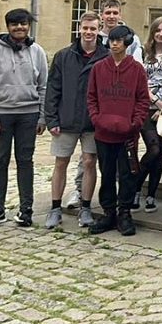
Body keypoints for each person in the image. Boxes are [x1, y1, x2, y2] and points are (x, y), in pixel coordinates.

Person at [0, 8, 48, 229]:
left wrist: (42, 116)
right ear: (8, 26)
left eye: (23, 23)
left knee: (25, 161)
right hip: (1, 115)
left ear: (28, 25)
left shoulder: (37, 52)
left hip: (28, 115)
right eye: (15, 24)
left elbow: (43, 86)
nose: (19, 28)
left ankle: (26, 210)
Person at [43, 12, 110, 229]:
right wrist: (51, 118)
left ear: (99, 30)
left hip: (92, 121)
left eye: (93, 28)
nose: (89, 32)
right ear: (79, 28)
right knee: (61, 162)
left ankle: (86, 207)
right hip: (66, 119)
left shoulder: (106, 57)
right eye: (85, 28)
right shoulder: (64, 56)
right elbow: (53, 88)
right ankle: (55, 208)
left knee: (90, 163)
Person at [86, 26, 149, 236]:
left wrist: (136, 122)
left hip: (127, 133)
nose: (115, 44)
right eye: (112, 40)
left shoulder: (137, 69)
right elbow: (91, 97)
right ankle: (108, 212)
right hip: (103, 132)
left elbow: (142, 99)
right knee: (107, 174)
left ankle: (124, 213)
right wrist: (96, 119)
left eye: (119, 40)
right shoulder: (98, 68)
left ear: (127, 42)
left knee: (127, 174)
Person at [135, 17, 162, 214]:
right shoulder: (142, 51)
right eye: (158, 30)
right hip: (145, 105)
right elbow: (138, 79)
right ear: (152, 32)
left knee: (160, 152)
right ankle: (135, 187)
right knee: (152, 149)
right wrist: (155, 102)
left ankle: (151, 195)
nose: (161, 34)